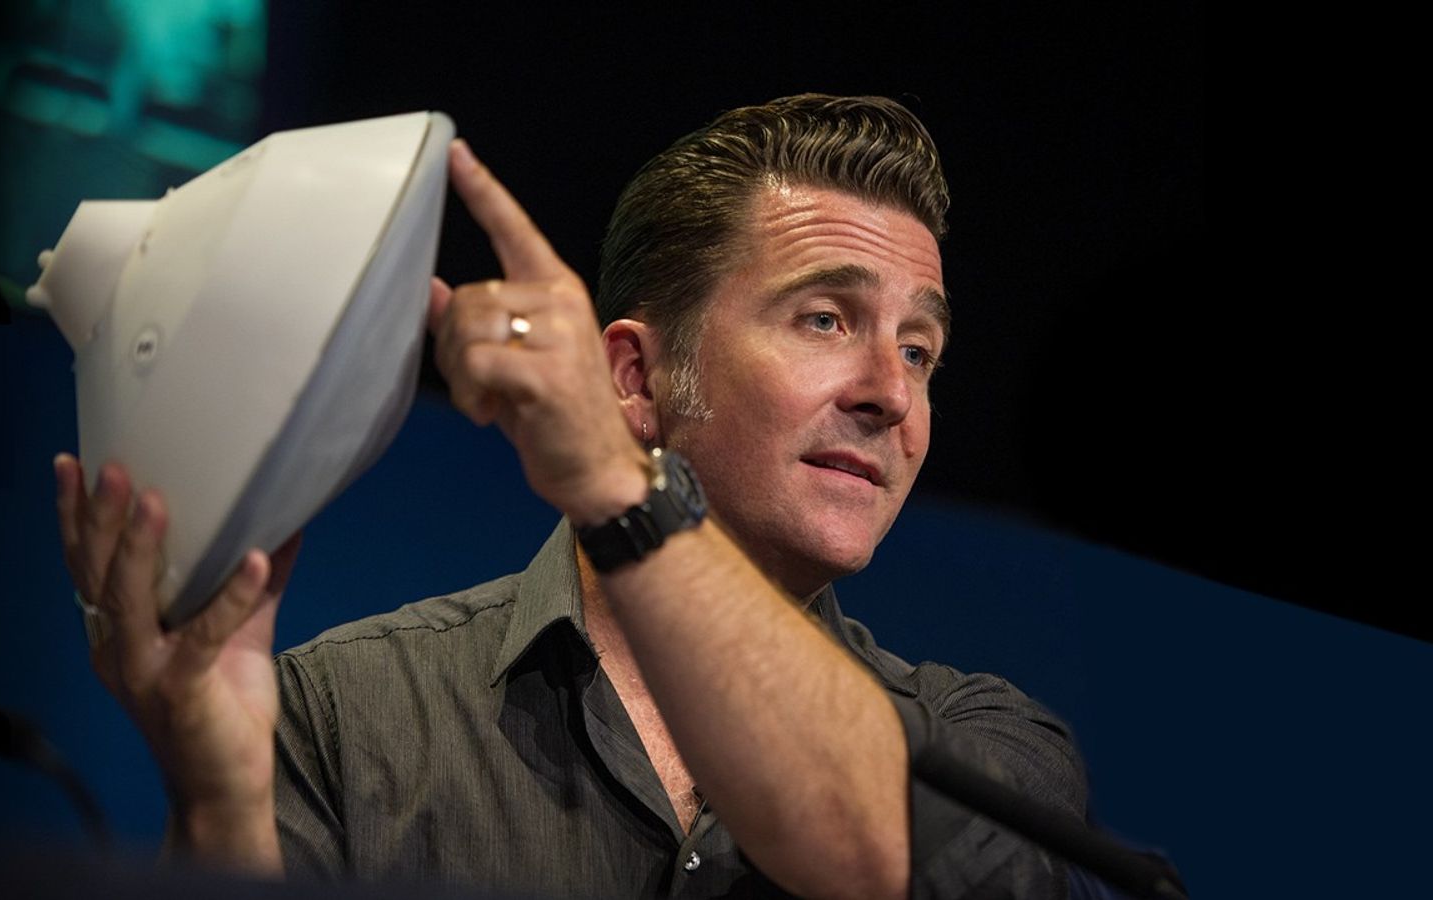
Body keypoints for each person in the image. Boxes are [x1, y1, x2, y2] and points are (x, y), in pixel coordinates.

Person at [54, 94, 1087, 898]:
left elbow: (874, 849)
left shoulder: (983, 747)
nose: (891, 394)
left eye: (920, 349)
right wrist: (223, 805)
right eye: (824, 320)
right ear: (635, 379)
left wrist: (608, 482)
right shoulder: (343, 713)